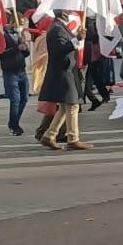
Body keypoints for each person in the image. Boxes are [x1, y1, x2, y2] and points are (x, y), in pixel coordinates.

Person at [36, 10, 88, 151]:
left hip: (67, 71)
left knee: (66, 106)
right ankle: (73, 138)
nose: (70, 13)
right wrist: (77, 39)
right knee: (72, 105)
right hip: (62, 72)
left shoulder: (60, 27)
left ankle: (49, 135)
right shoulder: (56, 29)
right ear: (62, 13)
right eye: (67, 11)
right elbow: (60, 49)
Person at [0, 12, 30, 136]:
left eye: (23, 25)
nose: (21, 27)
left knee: (24, 98)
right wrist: (17, 48)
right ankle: (14, 124)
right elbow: (1, 53)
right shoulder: (3, 34)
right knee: (15, 99)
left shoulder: (20, 34)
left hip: (22, 71)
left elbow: (26, 53)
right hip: (10, 72)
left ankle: (15, 120)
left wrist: (25, 47)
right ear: (12, 22)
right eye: (19, 24)